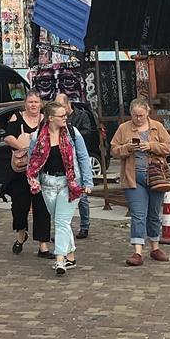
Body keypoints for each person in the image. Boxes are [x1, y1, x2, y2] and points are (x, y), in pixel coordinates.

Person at [26, 101, 93, 276]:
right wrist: (33, 179)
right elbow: (32, 161)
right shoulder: (37, 136)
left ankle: (60, 259)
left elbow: (83, 157)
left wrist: (87, 182)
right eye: (61, 116)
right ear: (50, 118)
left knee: (61, 222)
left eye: (66, 115)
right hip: (48, 183)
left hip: (69, 182)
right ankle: (71, 256)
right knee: (60, 220)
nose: (65, 118)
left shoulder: (72, 133)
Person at [110, 97, 170, 267]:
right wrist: (127, 148)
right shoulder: (124, 128)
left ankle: (155, 247)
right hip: (134, 177)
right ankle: (137, 251)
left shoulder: (157, 127)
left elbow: (168, 147)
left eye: (141, 115)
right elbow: (114, 150)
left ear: (147, 113)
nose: (138, 119)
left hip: (155, 176)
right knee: (138, 214)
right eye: (135, 115)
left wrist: (151, 146)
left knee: (153, 213)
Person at [2, 90, 53, 259]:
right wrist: (24, 148)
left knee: (42, 208)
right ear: (25, 104)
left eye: (36, 102)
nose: (33, 105)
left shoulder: (46, 120)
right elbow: (7, 137)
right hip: (21, 170)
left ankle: (43, 246)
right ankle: (21, 234)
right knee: (19, 207)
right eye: (30, 102)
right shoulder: (17, 117)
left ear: (41, 104)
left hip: (41, 170)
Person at [55, 92, 92, 239]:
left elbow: (88, 132)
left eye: (61, 106)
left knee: (82, 197)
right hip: (62, 166)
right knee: (63, 200)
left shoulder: (80, 116)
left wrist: (73, 134)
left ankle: (85, 225)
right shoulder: (55, 122)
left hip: (76, 162)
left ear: (67, 105)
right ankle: (64, 227)